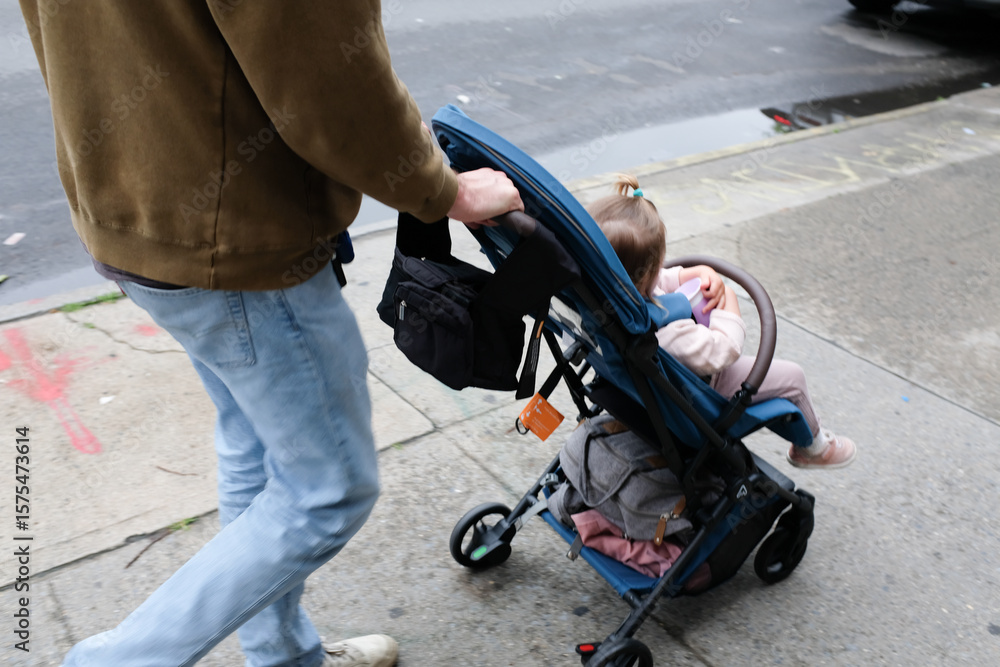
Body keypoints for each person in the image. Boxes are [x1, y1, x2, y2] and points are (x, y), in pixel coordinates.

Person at [20, 2, 523, 666]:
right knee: (328, 490)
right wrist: (442, 190)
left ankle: (282, 655)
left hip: (136, 213)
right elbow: (325, 73)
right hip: (240, 240)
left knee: (256, 443)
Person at [587, 175, 857, 469]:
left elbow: (658, 280)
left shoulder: (596, 299)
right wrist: (729, 301)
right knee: (792, 377)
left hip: (637, 387)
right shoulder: (664, 332)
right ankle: (813, 448)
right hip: (702, 387)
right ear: (647, 273)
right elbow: (723, 350)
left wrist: (694, 272)